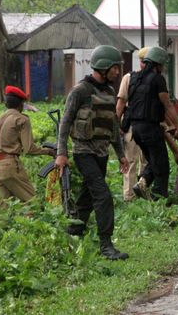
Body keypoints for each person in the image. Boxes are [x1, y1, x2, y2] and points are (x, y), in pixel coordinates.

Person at [55, 45, 130, 260]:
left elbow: (113, 126)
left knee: (87, 197)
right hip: (83, 153)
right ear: (104, 67)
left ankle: (74, 232)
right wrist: (62, 153)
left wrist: (121, 153)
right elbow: (65, 122)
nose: (117, 72)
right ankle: (106, 245)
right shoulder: (80, 91)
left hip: (102, 153)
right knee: (103, 195)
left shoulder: (108, 91)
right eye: (115, 68)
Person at [124, 46, 178, 200]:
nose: (163, 69)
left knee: (154, 160)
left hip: (135, 129)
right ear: (158, 64)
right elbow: (167, 105)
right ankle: (159, 201)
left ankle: (142, 182)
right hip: (150, 128)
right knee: (162, 167)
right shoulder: (157, 79)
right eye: (162, 66)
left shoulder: (135, 78)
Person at [0, 86, 55, 202]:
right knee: (32, 202)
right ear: (21, 104)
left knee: (6, 209)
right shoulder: (21, 119)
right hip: (10, 167)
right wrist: (49, 151)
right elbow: (29, 149)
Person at [115, 47, 149, 202]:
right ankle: (129, 196)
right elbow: (121, 102)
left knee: (146, 161)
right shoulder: (128, 78)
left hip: (147, 126)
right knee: (130, 160)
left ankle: (142, 193)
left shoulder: (155, 79)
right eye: (143, 62)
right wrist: (117, 125)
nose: (144, 65)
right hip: (131, 127)